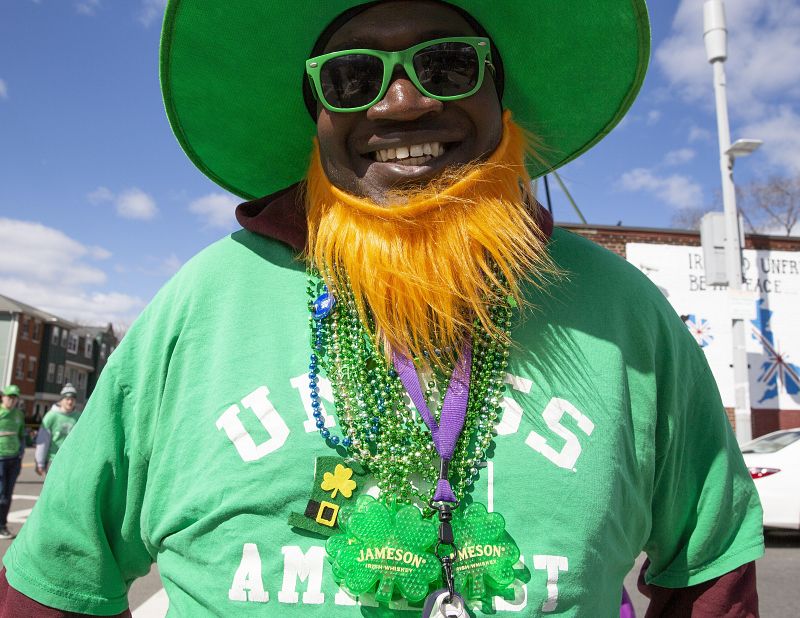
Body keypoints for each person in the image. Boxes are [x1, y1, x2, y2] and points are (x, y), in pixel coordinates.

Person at [0, 1, 764, 616]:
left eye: (447, 63)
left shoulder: (625, 312)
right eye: (352, 76)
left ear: (500, 94)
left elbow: (710, 576)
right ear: (317, 119)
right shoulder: (202, 304)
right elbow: (58, 580)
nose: (404, 101)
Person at [33, 384, 81, 477]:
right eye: (67, 399)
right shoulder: (51, 416)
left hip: (71, 461)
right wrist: (40, 463)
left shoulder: (79, 417)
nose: (70, 402)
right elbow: (43, 441)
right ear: (61, 400)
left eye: (73, 399)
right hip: (53, 460)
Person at [0, 386, 25, 541]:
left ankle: (2, 525)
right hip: (0, 458)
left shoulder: (19, 415)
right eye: (9, 396)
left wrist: (20, 453)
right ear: (3, 397)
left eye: (14, 397)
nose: (12, 399)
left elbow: (22, 435)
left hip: (13, 459)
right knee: (1, 493)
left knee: (7, 495)